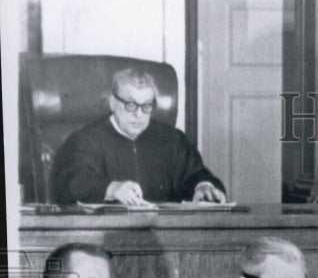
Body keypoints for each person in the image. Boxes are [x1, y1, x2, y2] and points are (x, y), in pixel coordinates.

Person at [50, 67, 226, 206]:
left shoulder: (172, 140)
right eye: (131, 105)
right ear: (113, 102)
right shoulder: (85, 140)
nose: (139, 115)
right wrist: (111, 189)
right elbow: (70, 181)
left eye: (147, 106)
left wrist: (203, 185)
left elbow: (195, 173)